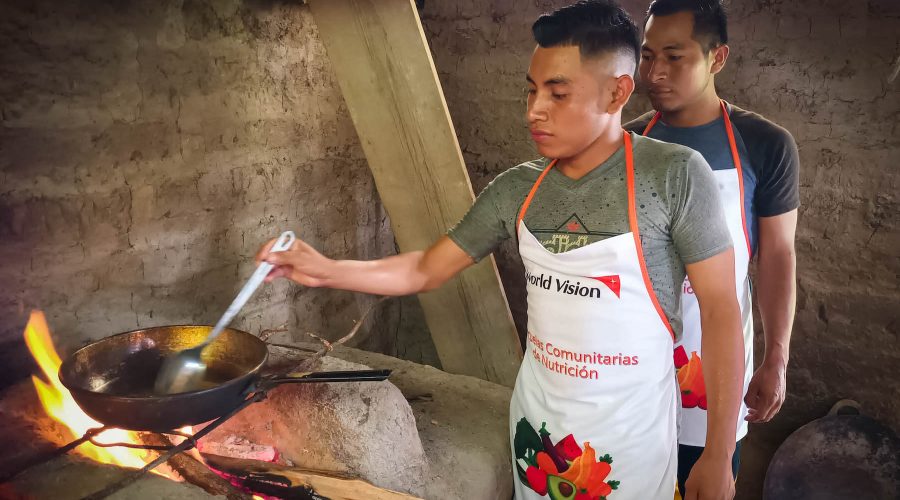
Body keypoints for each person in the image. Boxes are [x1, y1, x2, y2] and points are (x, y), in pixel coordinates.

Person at [257, 1, 744, 498]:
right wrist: (326, 270)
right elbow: (425, 269)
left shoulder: (674, 176)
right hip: (540, 428)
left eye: (558, 93)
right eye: (531, 91)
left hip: (633, 438)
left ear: (617, 91)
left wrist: (718, 452)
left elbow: (721, 312)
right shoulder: (517, 190)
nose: (534, 110)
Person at [624, 0, 800, 496]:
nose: (655, 73)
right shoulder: (627, 143)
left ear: (716, 58)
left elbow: (778, 255)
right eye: (647, 56)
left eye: (674, 57)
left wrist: (777, 357)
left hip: (714, 376)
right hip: (634, 368)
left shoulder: (764, 145)